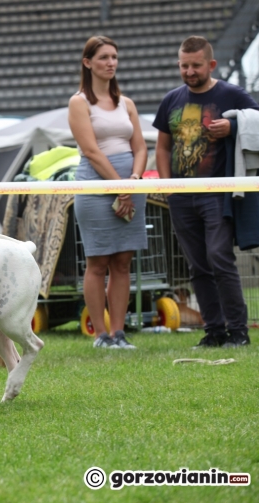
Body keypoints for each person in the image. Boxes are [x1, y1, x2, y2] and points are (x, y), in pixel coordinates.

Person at [154, 35, 259, 348]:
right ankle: (213, 331)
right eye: (184, 66)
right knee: (198, 266)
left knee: (219, 258)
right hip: (181, 196)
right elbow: (162, 147)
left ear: (211, 64)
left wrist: (233, 127)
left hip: (217, 194)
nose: (189, 71)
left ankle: (238, 332)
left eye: (196, 65)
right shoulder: (171, 99)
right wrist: (168, 188)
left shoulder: (232, 94)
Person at [68, 36, 148, 349]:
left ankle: (119, 332)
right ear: (88, 63)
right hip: (95, 186)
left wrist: (133, 180)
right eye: (103, 57)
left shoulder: (127, 103)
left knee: (123, 261)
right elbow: (91, 150)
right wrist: (120, 186)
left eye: (114, 56)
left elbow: (140, 147)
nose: (111, 62)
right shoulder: (79, 102)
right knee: (98, 261)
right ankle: (100, 335)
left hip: (129, 185)